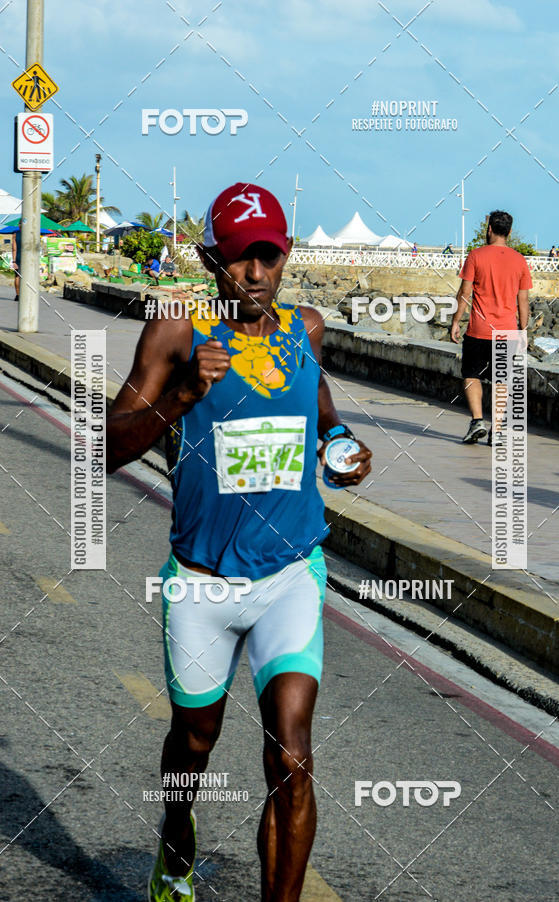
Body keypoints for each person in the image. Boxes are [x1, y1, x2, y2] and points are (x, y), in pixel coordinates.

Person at [106, 182, 373, 902]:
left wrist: (342, 446)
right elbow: (104, 448)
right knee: (195, 742)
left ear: (286, 257)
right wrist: (181, 397)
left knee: (292, 754)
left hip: (291, 573)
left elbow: (322, 413)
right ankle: (176, 828)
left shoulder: (304, 330)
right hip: (201, 581)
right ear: (209, 260)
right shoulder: (176, 333)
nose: (256, 274)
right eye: (238, 259)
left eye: (269, 256)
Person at [450, 210, 531, 445]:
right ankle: (496, 429)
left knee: (471, 374)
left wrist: (456, 321)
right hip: (507, 331)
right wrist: (523, 331)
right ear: (510, 232)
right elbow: (523, 300)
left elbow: (465, 293)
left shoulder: (476, 256)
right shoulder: (519, 260)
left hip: (479, 330)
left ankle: (477, 421)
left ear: (489, 229)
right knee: (501, 380)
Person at [11, 230, 21, 302]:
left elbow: (14, 249)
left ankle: (18, 295)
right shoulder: (31, 233)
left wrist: (14, 261)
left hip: (18, 257)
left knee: (17, 276)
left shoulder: (15, 234)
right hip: (28, 259)